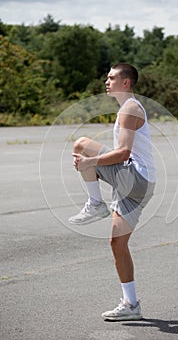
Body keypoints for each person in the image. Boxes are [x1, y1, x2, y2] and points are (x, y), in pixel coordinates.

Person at [69, 63, 156, 321]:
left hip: (135, 179)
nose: (106, 81)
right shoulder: (128, 108)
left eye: (112, 77)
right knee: (117, 243)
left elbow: (123, 153)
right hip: (140, 183)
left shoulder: (129, 108)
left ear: (126, 82)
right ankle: (131, 305)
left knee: (82, 145)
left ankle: (95, 203)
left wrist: (89, 164)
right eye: (107, 77)